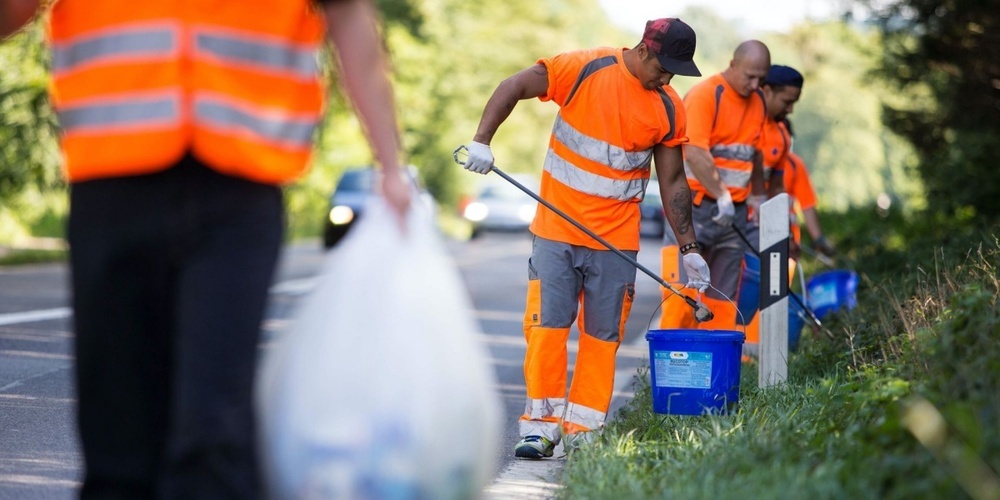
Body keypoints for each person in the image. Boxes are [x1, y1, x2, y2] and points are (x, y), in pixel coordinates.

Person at [1, 0, 411, 497]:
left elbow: (349, 16)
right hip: (112, 175)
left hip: (239, 185)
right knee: (117, 433)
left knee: (213, 427)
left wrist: (390, 165)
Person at [463, 18, 711, 458]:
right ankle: (539, 427)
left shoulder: (669, 107)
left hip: (616, 241)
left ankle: (583, 431)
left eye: (676, 71)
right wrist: (482, 140)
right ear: (644, 50)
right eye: (665, 67)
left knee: (602, 337)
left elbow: (673, 182)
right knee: (547, 329)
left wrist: (690, 247)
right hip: (557, 231)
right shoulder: (583, 68)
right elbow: (513, 85)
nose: (668, 77)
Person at [658, 40, 773, 331]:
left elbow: (754, 153)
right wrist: (721, 193)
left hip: (732, 216)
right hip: (694, 209)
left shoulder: (758, 102)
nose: (756, 83)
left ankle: (713, 366)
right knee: (681, 294)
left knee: (722, 297)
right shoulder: (706, 95)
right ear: (733, 65)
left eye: (762, 77)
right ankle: (672, 362)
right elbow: (695, 151)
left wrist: (758, 197)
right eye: (750, 76)